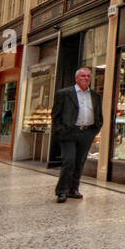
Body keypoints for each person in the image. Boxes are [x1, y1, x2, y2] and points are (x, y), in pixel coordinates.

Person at [50, 68, 101, 203]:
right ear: (76, 78)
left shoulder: (95, 96)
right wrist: (60, 130)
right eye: (83, 76)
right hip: (69, 133)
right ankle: (62, 191)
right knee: (69, 161)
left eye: (88, 76)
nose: (86, 78)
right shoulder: (64, 94)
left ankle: (73, 189)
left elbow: (99, 115)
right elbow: (55, 115)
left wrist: (94, 131)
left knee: (80, 162)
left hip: (87, 132)